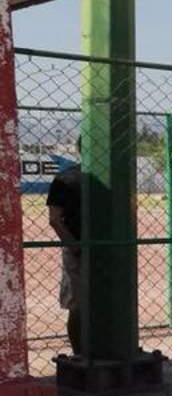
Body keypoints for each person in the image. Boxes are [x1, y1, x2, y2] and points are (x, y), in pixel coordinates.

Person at [46, 146, 82, 355]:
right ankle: (82, 353)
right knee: (79, 305)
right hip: (85, 247)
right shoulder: (66, 179)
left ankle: (80, 354)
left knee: (78, 305)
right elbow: (55, 220)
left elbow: (54, 219)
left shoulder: (65, 178)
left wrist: (74, 246)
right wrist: (75, 246)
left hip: (77, 246)